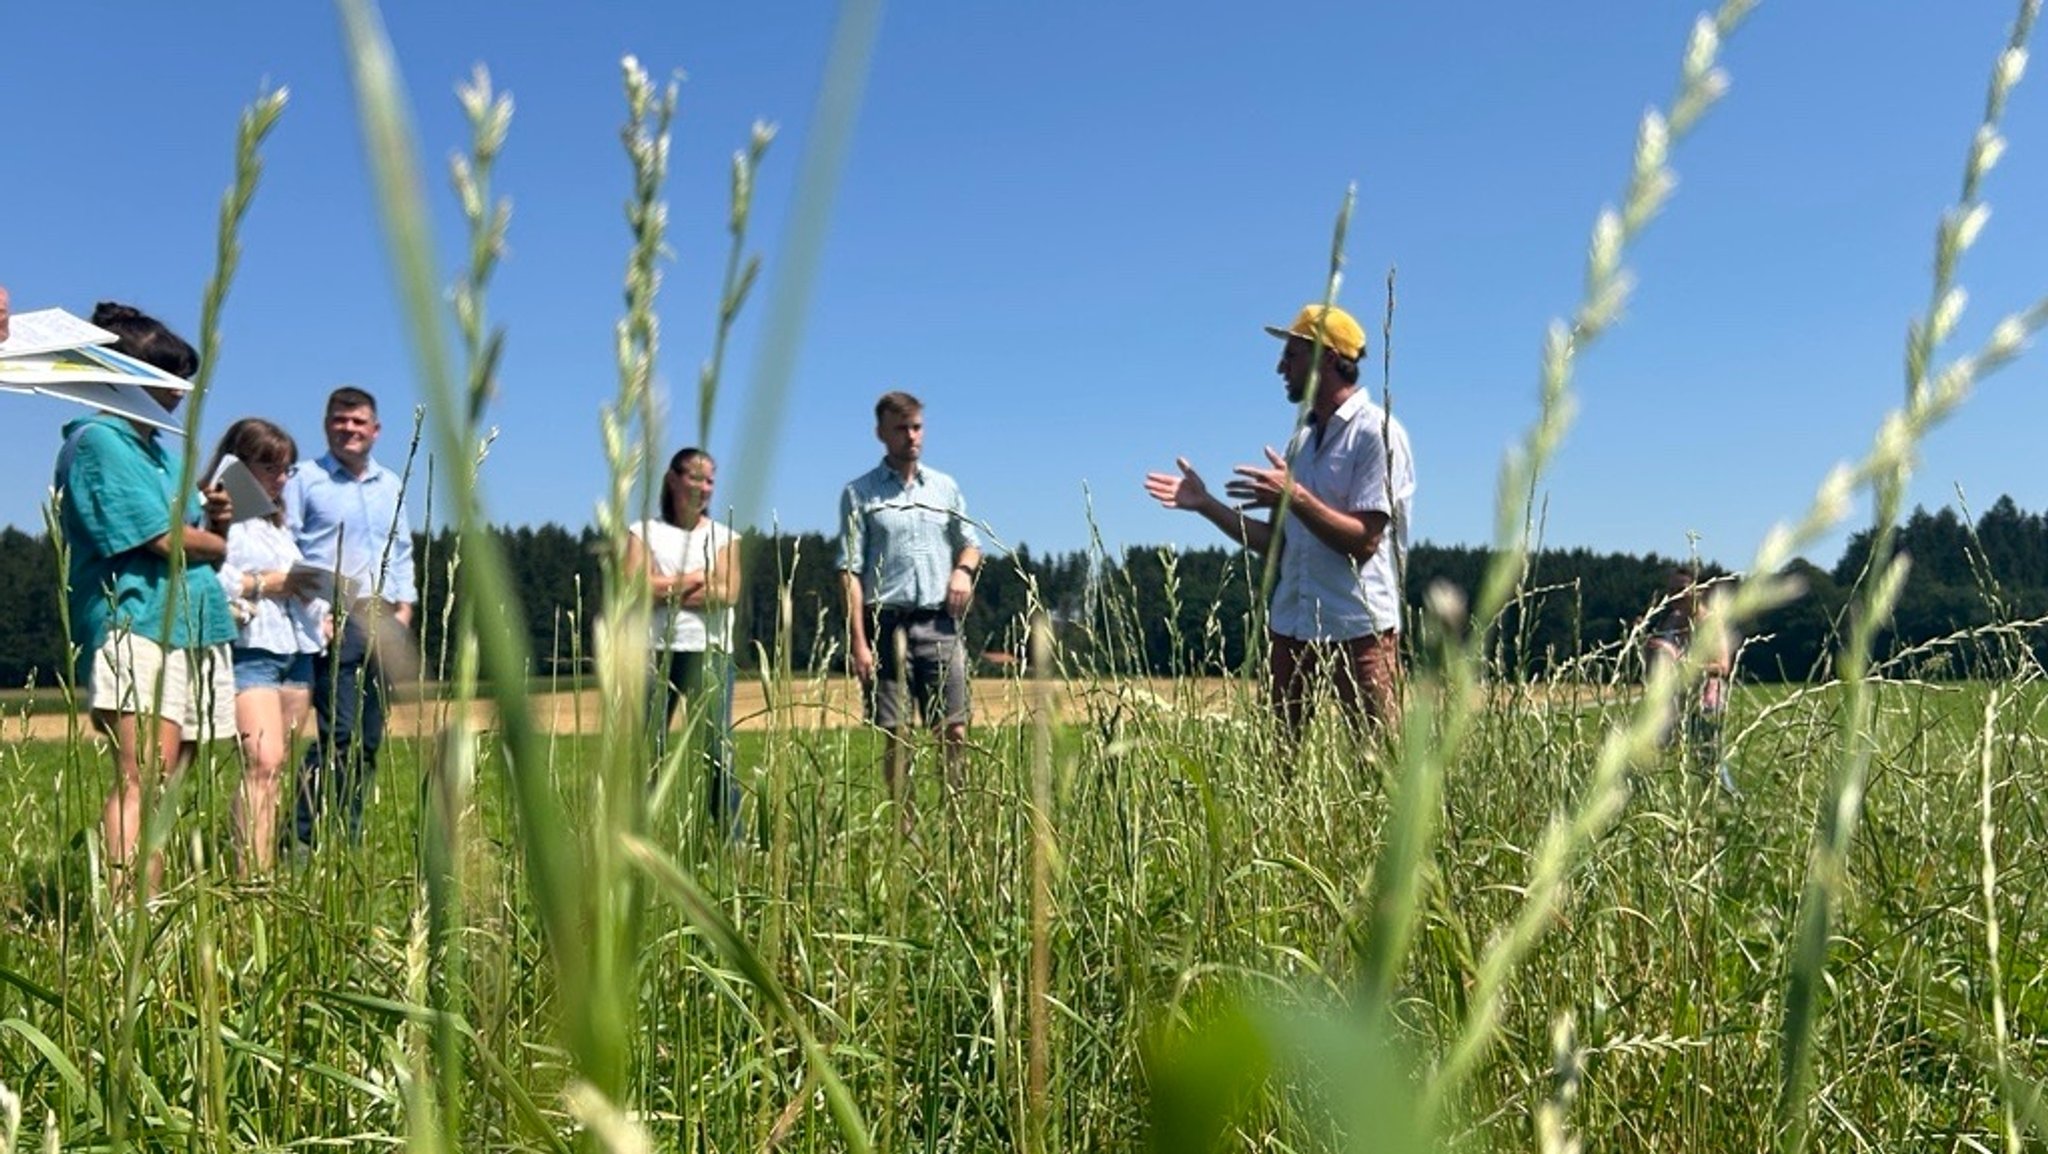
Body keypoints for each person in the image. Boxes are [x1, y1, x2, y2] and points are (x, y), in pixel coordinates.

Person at [1145, 302, 1415, 743]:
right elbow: (1277, 545)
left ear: (1326, 358)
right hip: (1292, 625)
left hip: (1359, 629)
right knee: (1279, 767)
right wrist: (1205, 503)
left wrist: (1296, 496)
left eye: (1291, 355)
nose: (1280, 367)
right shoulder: (1302, 445)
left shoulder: (1377, 433)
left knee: (1379, 766)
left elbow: (1365, 541)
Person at [53, 301, 239, 896]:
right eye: (166, 380)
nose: (177, 394)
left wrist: (217, 527)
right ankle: (131, 917)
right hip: (134, 620)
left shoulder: (159, 450)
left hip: (184, 623)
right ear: (122, 375)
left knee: (170, 779)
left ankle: (148, 904)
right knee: (144, 777)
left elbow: (192, 540)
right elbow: (161, 538)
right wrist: (214, 541)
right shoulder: (99, 439)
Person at [283, 386, 417, 846]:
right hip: (331, 618)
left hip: (384, 619)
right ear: (326, 425)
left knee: (369, 740)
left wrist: (404, 609)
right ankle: (303, 840)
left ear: (376, 430)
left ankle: (349, 836)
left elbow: (400, 549)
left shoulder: (392, 485)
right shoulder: (304, 479)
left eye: (359, 421)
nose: (349, 429)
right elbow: (290, 548)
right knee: (337, 735)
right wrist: (316, 615)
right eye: (340, 419)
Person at [838, 391, 982, 814]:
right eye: (901, 429)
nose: (911, 436)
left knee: (953, 730)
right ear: (881, 433)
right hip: (886, 625)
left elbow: (971, 544)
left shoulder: (944, 487)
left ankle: (961, 833)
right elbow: (849, 570)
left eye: (917, 427)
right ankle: (908, 836)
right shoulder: (858, 493)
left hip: (940, 625)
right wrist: (859, 643)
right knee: (895, 735)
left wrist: (963, 571)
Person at [204, 418, 327, 872]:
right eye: (271, 467)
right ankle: (249, 879)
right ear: (238, 463)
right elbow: (206, 579)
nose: (281, 478)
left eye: (287, 469)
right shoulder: (216, 516)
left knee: (276, 771)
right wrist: (263, 582)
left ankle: (263, 869)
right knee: (263, 763)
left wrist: (322, 606)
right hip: (250, 649)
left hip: (296, 652)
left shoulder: (277, 526)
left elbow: (295, 585)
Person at [626, 447, 742, 833]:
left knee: (715, 750)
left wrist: (662, 587)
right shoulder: (643, 532)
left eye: (710, 480)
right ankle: (637, 837)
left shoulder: (725, 536)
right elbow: (633, 588)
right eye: (695, 477)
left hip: (710, 652)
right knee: (647, 749)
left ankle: (733, 843)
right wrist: (695, 579)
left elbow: (727, 592)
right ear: (673, 479)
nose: (704, 487)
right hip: (654, 652)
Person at [1643, 566, 1736, 793]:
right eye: (1671, 589)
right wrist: (1643, 643)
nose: (1675, 594)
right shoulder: (1670, 622)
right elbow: (1653, 666)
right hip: (1671, 705)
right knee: (1643, 759)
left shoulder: (1711, 623)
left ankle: (1732, 806)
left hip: (1703, 704)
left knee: (1711, 768)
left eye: (1681, 588)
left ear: (1698, 590)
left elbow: (1723, 667)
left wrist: (1681, 662)